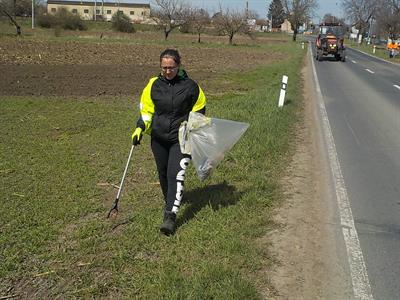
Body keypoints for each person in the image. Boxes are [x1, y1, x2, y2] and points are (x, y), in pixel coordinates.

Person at [131, 49, 206, 235]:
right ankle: (170, 199)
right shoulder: (152, 85)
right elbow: (147, 111)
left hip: (181, 138)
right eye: (164, 67)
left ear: (178, 66)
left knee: (175, 174)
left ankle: (170, 216)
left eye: (171, 67)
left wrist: (192, 129)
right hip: (158, 138)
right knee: (163, 173)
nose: (167, 71)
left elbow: (200, 111)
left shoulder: (191, 86)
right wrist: (140, 127)